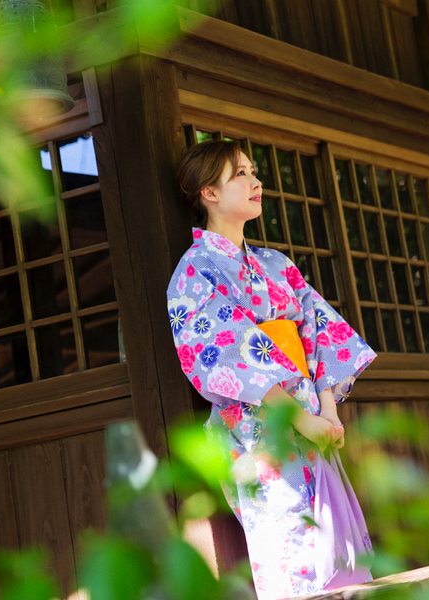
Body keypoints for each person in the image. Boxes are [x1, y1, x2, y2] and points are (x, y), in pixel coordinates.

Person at [166, 140, 376, 599]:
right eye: (240, 174)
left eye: (253, 170)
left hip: (312, 418)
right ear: (209, 193)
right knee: (290, 548)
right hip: (258, 429)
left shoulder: (276, 264)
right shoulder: (195, 271)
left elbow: (318, 332)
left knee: (334, 543)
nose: (255, 181)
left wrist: (327, 412)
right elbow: (228, 354)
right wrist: (298, 418)